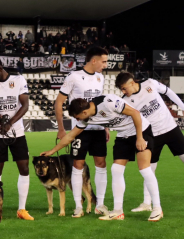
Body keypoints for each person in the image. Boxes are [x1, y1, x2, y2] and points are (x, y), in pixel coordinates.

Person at [41, 94, 163, 222]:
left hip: (141, 131)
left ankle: (157, 208)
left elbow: (135, 113)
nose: (77, 120)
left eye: (77, 117)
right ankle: (118, 211)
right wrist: (52, 151)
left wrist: (140, 138)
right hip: (123, 135)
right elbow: (71, 136)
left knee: (144, 169)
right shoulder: (86, 119)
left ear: (84, 112)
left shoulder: (108, 102)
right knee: (116, 169)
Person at [116, 72, 184, 212]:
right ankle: (147, 203)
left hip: (171, 128)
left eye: (124, 88)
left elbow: (169, 92)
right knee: (148, 169)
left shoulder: (150, 83)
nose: (123, 92)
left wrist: (182, 107)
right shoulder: (125, 101)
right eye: (121, 90)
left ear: (132, 83)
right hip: (152, 135)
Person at [55, 46, 109, 217]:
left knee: (101, 164)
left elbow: (102, 104)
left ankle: (100, 204)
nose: (105, 65)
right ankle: (78, 205)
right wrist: (61, 128)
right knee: (78, 165)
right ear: (94, 60)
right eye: (104, 61)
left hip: (98, 128)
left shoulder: (100, 77)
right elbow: (58, 103)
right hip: (80, 130)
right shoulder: (74, 77)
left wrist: (106, 126)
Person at [0, 55, 34, 221]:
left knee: (24, 168)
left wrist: (10, 123)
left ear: (0, 67)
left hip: (17, 132)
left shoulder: (18, 80)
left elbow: (24, 105)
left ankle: (22, 209)